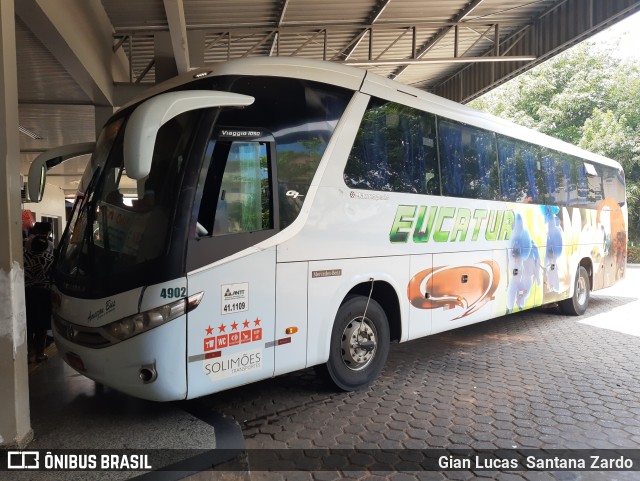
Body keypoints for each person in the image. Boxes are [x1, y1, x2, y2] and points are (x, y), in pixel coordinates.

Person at [24, 234, 55, 363]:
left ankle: (27, 355)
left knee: (28, 326)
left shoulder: (23, 257)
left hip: (27, 294)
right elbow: (54, 277)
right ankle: (40, 354)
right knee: (41, 327)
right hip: (44, 295)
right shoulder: (50, 259)